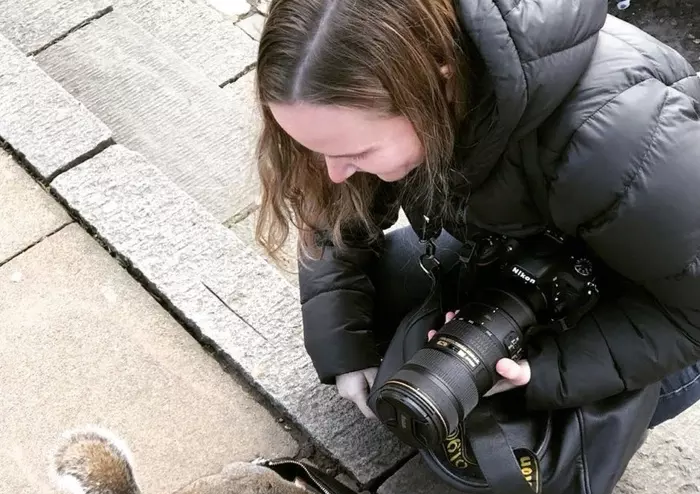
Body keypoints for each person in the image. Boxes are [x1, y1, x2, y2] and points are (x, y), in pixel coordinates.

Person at [253, 0, 700, 430]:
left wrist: (542, 373)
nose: (333, 174)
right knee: (400, 358)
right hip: (517, 249)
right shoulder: (390, 83)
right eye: (318, 150)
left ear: (439, 84)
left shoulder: (622, 139)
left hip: (658, 302)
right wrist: (344, 344)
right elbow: (337, 219)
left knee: (493, 445)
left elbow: (691, 315)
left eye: (356, 152)